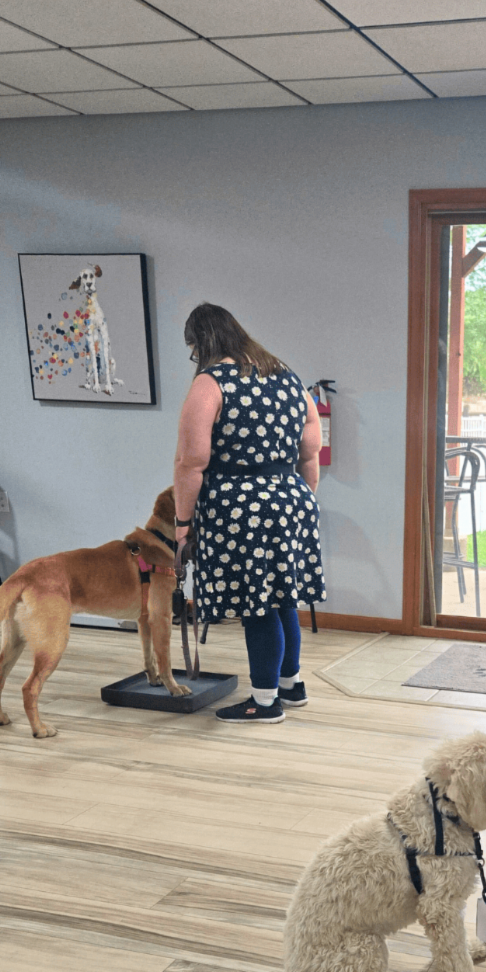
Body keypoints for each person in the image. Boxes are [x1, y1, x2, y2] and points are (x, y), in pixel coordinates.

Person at [173, 303, 325, 724]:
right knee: (282, 598)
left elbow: (192, 462)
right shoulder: (288, 376)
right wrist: (298, 501)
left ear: (202, 342)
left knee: (257, 604)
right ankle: (291, 686)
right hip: (291, 498)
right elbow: (310, 452)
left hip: (240, 505)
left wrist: (182, 524)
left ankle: (264, 701)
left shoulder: (211, 382)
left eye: (192, 349)